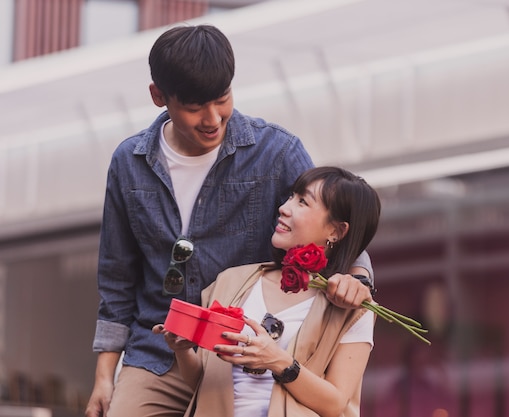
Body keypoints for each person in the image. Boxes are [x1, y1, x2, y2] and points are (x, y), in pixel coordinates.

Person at [85, 25, 374, 417]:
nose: (212, 118)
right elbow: (117, 278)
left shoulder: (276, 151)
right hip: (157, 353)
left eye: (222, 99)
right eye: (193, 106)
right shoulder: (128, 162)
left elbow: (331, 221)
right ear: (158, 97)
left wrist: (356, 279)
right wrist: (105, 376)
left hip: (242, 354)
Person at [154, 166, 381, 417]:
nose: (284, 208)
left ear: (336, 231)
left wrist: (278, 361)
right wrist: (183, 349)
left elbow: (335, 403)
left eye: (303, 202)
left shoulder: (353, 309)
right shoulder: (231, 282)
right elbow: (204, 384)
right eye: (291, 197)